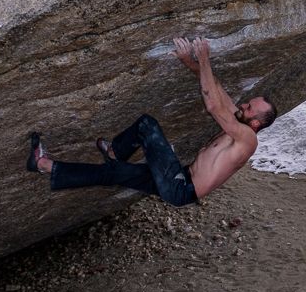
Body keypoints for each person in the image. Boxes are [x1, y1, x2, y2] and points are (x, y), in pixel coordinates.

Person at [26, 37, 277, 206]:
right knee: (115, 174)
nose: (243, 105)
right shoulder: (241, 124)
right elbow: (217, 90)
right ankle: (44, 164)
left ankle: (115, 151)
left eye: (249, 107)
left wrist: (204, 58)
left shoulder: (248, 139)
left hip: (180, 188)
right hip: (179, 178)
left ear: (256, 123)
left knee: (147, 125)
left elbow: (212, 105)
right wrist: (189, 62)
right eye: (246, 103)